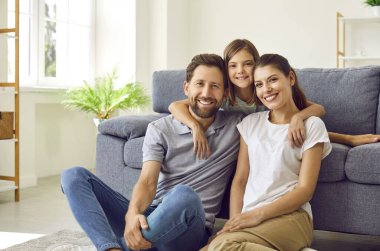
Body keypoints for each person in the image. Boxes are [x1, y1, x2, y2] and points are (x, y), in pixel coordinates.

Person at [61, 53, 244, 251]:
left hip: (190, 227)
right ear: (186, 87)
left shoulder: (237, 126)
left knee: (185, 195)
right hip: (152, 218)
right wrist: (133, 213)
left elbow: (265, 104)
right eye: (199, 84)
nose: (206, 93)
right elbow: (148, 181)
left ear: (225, 93)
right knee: (73, 176)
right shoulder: (160, 128)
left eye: (215, 86)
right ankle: (110, 248)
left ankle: (126, 246)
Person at [202, 53, 332, 251]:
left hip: (292, 217)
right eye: (259, 84)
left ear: (290, 78)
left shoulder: (312, 125)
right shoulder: (250, 124)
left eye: (272, 80)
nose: (266, 89)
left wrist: (257, 215)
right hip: (250, 217)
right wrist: (235, 221)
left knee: (223, 247)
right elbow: (240, 180)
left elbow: (305, 190)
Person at [169, 39, 380, 159]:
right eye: (233, 65)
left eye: (247, 64)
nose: (240, 71)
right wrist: (195, 127)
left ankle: (349, 138)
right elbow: (175, 105)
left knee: (296, 126)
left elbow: (318, 109)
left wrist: (298, 118)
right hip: (238, 139)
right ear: (227, 69)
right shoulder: (223, 94)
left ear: (257, 65)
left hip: (270, 134)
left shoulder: (266, 92)